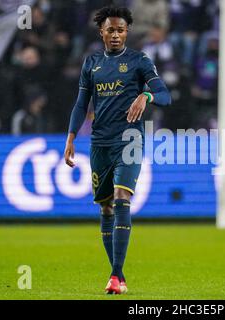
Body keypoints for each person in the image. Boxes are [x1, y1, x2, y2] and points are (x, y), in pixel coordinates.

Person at [64, 6, 171, 295]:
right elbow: (80, 104)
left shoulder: (139, 61)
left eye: (120, 30)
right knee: (106, 207)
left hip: (130, 141)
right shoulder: (92, 63)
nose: (115, 35)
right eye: (110, 29)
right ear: (101, 31)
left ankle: (114, 275)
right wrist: (71, 136)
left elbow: (165, 94)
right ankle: (119, 276)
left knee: (123, 199)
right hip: (100, 143)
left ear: (127, 32)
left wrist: (146, 95)